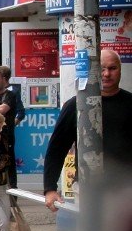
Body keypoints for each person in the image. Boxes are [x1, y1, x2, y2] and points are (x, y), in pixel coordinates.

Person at [43, 49, 132, 211]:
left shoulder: (130, 103)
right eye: (101, 69)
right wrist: (49, 188)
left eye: (112, 68)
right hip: (89, 189)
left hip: (126, 189)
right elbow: (57, 148)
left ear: (120, 70)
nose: (106, 74)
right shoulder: (76, 106)